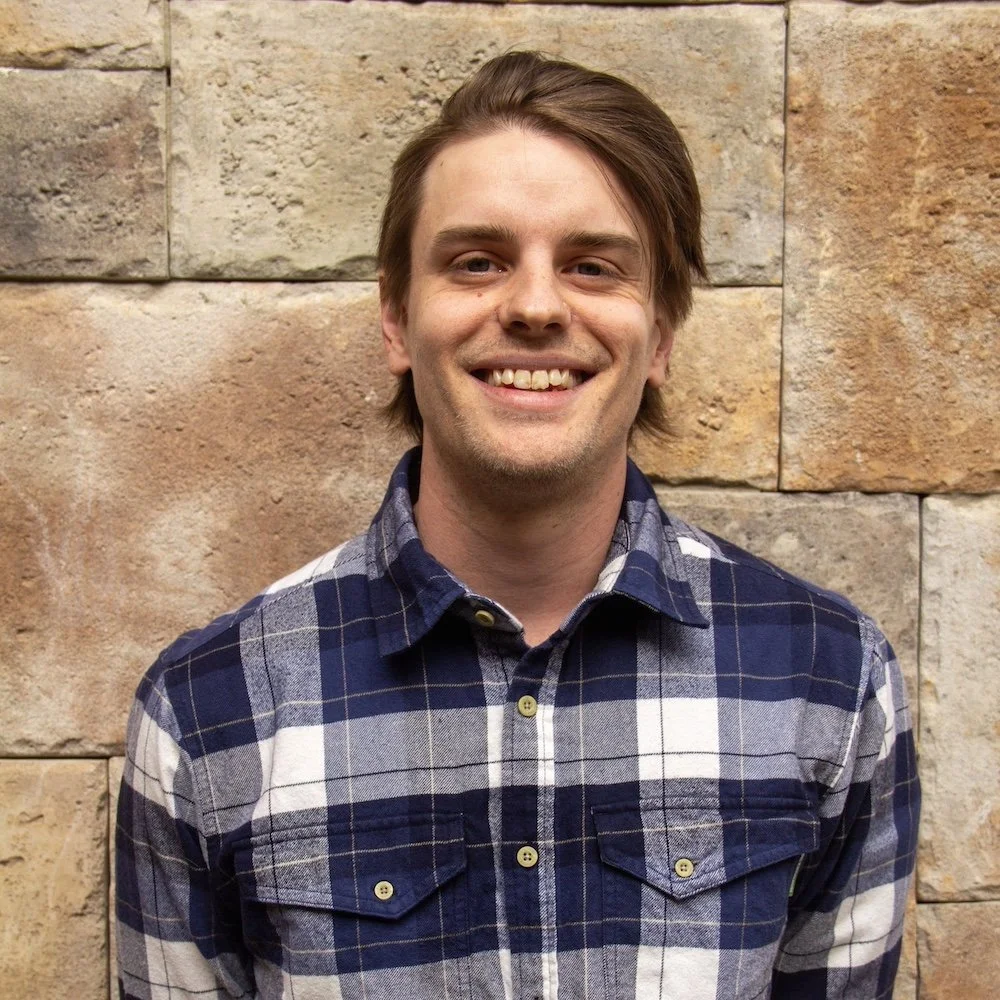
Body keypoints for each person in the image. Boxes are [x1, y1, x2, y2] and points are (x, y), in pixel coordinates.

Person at [116, 51, 919, 1000]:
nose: (535, 306)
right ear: (395, 318)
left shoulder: (830, 680)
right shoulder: (207, 711)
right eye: (478, 262)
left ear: (661, 333)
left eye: (592, 266)